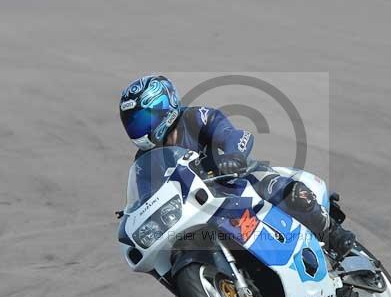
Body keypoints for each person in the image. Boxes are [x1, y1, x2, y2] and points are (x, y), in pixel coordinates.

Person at [119, 74, 358, 258]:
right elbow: (147, 197)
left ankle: (333, 234)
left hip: (234, 181)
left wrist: (234, 156)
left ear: (164, 107)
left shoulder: (194, 118)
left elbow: (233, 135)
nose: (139, 129)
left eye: (142, 119)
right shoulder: (144, 161)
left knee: (284, 190)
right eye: (132, 124)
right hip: (197, 210)